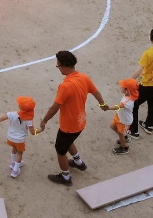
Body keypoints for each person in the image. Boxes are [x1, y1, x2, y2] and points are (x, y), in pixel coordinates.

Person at [40, 50, 106, 186]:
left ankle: (65, 177)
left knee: (60, 149)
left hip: (69, 125)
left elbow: (55, 107)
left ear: (64, 66)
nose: (57, 68)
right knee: (68, 141)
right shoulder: (84, 77)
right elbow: (96, 92)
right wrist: (102, 104)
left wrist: (44, 120)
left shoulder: (65, 86)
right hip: (80, 122)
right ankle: (78, 162)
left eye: (58, 65)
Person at [0, 96, 41, 179]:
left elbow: (1, 118)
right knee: (20, 153)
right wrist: (40, 130)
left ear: (19, 106)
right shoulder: (29, 120)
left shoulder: (12, 114)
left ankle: (12, 164)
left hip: (10, 137)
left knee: (14, 149)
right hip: (20, 140)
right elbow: (33, 133)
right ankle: (15, 170)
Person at [102, 79, 138, 155]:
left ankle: (124, 147)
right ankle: (124, 138)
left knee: (120, 133)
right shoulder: (129, 94)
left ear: (127, 90)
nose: (121, 87)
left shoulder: (128, 100)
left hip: (124, 121)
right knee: (112, 126)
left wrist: (108, 108)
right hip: (119, 116)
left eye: (122, 86)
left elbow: (119, 106)